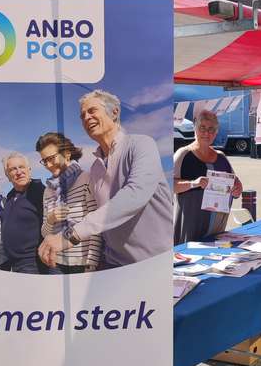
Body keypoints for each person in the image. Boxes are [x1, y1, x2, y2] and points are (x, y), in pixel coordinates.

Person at [38, 89, 172, 270]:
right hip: (113, 265)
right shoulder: (95, 168)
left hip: (152, 263)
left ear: (115, 112)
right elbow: (101, 218)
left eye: (92, 111)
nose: (86, 118)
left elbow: (135, 194)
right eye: (82, 115)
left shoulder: (141, 144)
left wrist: (72, 235)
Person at [36, 132, 101, 273]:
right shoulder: (48, 190)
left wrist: (91, 264)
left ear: (66, 154)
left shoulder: (86, 179)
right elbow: (44, 233)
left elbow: (95, 225)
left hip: (82, 263)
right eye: (44, 161)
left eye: (52, 158)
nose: (48, 165)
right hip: (56, 262)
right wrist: (51, 219)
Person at [173, 110, 242, 244]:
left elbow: (235, 183)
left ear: (216, 132)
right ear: (195, 129)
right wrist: (193, 183)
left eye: (211, 129)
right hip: (190, 231)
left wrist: (237, 189)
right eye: (202, 128)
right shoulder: (183, 155)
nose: (206, 133)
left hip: (218, 232)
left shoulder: (221, 157)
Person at [2, 152, 48, 274]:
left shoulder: (41, 191)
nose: (18, 172)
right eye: (13, 169)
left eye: (21, 167)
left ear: (29, 170)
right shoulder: (10, 196)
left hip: (33, 263)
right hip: (13, 263)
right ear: (7, 175)